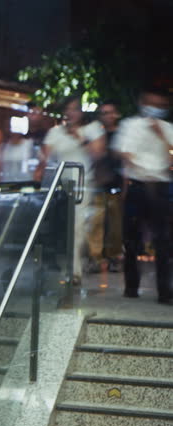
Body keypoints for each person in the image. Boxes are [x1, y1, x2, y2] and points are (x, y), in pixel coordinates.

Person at [37, 95, 106, 283]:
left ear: (81, 111)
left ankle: (74, 271)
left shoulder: (92, 129)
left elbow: (99, 152)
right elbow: (45, 155)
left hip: (83, 185)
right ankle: (66, 265)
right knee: (61, 228)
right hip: (60, 187)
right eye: (67, 109)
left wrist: (80, 138)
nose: (71, 113)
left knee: (77, 227)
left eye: (74, 109)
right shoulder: (55, 132)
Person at [114, 86, 172, 304]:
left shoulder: (168, 128)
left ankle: (165, 292)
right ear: (142, 102)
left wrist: (161, 136)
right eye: (151, 103)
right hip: (137, 185)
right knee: (131, 240)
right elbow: (124, 154)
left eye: (160, 105)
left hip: (159, 187)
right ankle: (131, 288)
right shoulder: (130, 126)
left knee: (163, 242)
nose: (155, 108)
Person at [87, 101, 125, 273]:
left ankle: (115, 256)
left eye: (110, 112)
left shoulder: (122, 135)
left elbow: (125, 164)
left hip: (116, 186)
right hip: (98, 186)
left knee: (115, 226)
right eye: (103, 113)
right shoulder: (96, 135)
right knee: (96, 224)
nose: (107, 116)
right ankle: (95, 258)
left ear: (116, 114)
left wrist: (126, 187)